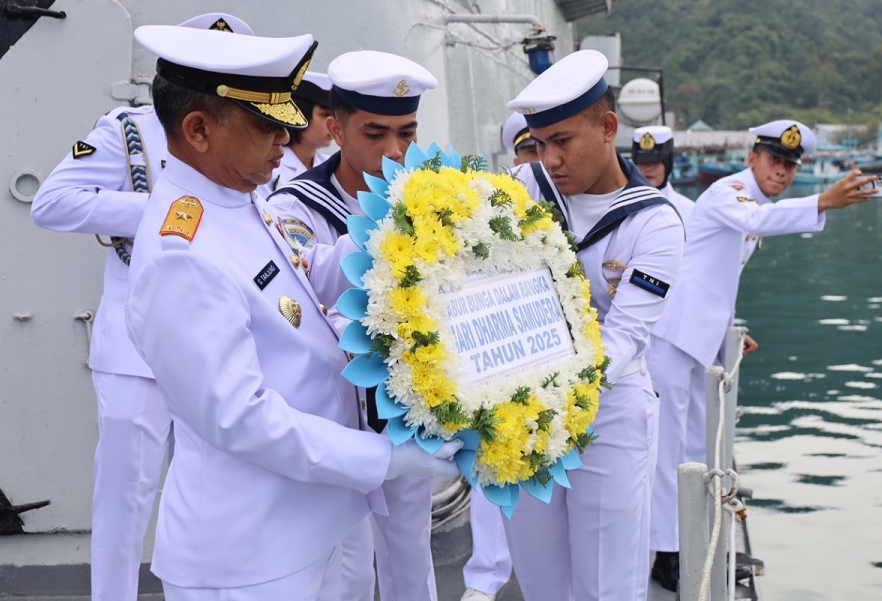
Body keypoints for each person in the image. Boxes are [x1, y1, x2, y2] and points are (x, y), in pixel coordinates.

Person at [124, 24, 458, 601]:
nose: (288, 134)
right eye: (266, 122)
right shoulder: (184, 251)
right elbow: (240, 418)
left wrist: (410, 228)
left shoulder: (240, 197)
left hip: (311, 526)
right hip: (248, 555)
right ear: (198, 129)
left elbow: (312, 276)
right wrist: (386, 457)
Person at [30, 11, 253, 601]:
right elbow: (52, 202)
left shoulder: (251, 137)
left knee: (215, 490)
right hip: (136, 350)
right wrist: (162, 215)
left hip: (217, 344)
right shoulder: (126, 129)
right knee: (125, 498)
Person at [646, 120, 876, 591]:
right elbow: (755, 221)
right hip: (672, 336)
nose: (783, 171)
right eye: (775, 160)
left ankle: (687, 546)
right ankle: (666, 555)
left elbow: (715, 276)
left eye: (791, 165)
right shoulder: (730, 192)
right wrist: (823, 201)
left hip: (698, 339)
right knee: (671, 449)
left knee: (693, 448)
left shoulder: (752, 200)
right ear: (753, 157)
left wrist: (729, 330)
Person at [503, 50, 685, 601]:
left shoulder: (654, 222)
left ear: (607, 127)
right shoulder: (523, 190)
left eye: (563, 141)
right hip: (523, 411)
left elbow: (626, 338)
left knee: (606, 582)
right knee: (540, 579)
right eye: (539, 144)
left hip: (608, 415)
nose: (550, 159)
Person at [267, 50, 441, 601]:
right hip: (334, 417)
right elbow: (301, 312)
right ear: (335, 128)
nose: (395, 151)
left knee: (411, 557)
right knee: (343, 570)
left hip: (408, 406)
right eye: (376, 133)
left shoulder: (437, 200)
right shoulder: (296, 209)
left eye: (407, 133)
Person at [457, 112, 540, 601]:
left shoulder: (566, 205)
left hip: (548, 355)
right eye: (529, 151)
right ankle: (485, 578)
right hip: (495, 351)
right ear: (517, 156)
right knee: (490, 462)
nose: (537, 161)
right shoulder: (490, 200)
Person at [262, 70, 334, 193]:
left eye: (335, 117)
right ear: (300, 114)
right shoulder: (268, 164)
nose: (332, 124)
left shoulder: (333, 166)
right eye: (325, 115)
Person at [631, 125, 694, 222]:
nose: (648, 169)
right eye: (643, 162)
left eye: (655, 162)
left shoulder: (690, 211)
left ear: (667, 163)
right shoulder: (622, 209)